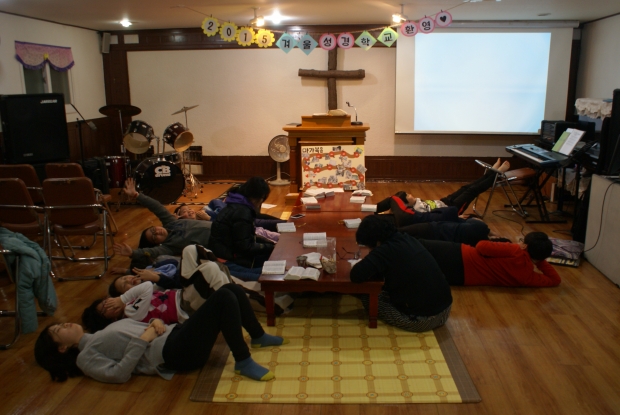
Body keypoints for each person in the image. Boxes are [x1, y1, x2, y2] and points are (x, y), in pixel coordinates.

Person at [34, 283, 289, 384]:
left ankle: (257, 336)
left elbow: (141, 328)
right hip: (174, 353)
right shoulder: (85, 357)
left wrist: (155, 321)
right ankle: (243, 360)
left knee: (231, 289)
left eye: (60, 324)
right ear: (62, 348)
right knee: (223, 298)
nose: (64, 325)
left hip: (174, 334)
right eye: (58, 331)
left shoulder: (102, 331)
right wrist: (143, 340)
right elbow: (118, 375)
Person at [349, 215, 453, 332]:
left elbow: (356, 275)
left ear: (376, 242)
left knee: (368, 297)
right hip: (445, 309)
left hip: (423, 319)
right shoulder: (406, 238)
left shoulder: (384, 251)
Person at [376, 159, 511, 226]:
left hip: (445, 201)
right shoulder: (416, 211)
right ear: (407, 204)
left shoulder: (416, 202)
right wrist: (456, 218)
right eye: (408, 196)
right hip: (452, 209)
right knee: (472, 191)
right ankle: (496, 175)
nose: (411, 195)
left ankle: (492, 173)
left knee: (467, 187)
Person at [113, 178, 212, 268]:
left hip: (216, 225)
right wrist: (132, 253)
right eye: (154, 237)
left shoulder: (170, 222)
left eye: (153, 230)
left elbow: (156, 206)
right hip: (217, 241)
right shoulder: (168, 247)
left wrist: (136, 195)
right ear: (158, 243)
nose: (157, 232)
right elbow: (150, 252)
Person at [417, 232, 561, 287]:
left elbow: (481, 246)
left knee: (416, 244)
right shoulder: (527, 277)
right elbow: (555, 280)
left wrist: (515, 246)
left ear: (525, 246)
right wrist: (539, 259)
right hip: (460, 278)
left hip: (460, 255)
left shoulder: (515, 251)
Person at [208, 177, 275, 269]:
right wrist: (270, 247)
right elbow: (245, 247)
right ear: (257, 197)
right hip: (229, 261)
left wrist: (270, 244)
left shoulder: (236, 205)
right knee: (274, 267)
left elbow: (245, 238)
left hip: (229, 254)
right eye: (262, 198)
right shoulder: (242, 212)